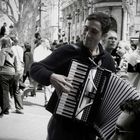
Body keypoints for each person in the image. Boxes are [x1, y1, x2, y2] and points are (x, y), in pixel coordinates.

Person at [30, 12, 116, 140]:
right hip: (62, 127)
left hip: (89, 131)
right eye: (86, 29)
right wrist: (52, 77)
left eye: (93, 31)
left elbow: (110, 94)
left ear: (103, 35)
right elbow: (35, 68)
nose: (87, 34)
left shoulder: (107, 61)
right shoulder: (69, 51)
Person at [0, 36, 18, 117]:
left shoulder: (3, 51)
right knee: (7, 91)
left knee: (3, 92)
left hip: (4, 73)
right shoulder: (12, 52)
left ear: (3, 43)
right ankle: (7, 107)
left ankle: (5, 109)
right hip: (12, 73)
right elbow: (16, 64)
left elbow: (1, 64)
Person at [11, 38, 24, 114]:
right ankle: (19, 107)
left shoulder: (12, 49)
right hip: (20, 69)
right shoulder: (20, 49)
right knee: (17, 88)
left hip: (14, 69)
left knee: (12, 89)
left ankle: (10, 106)